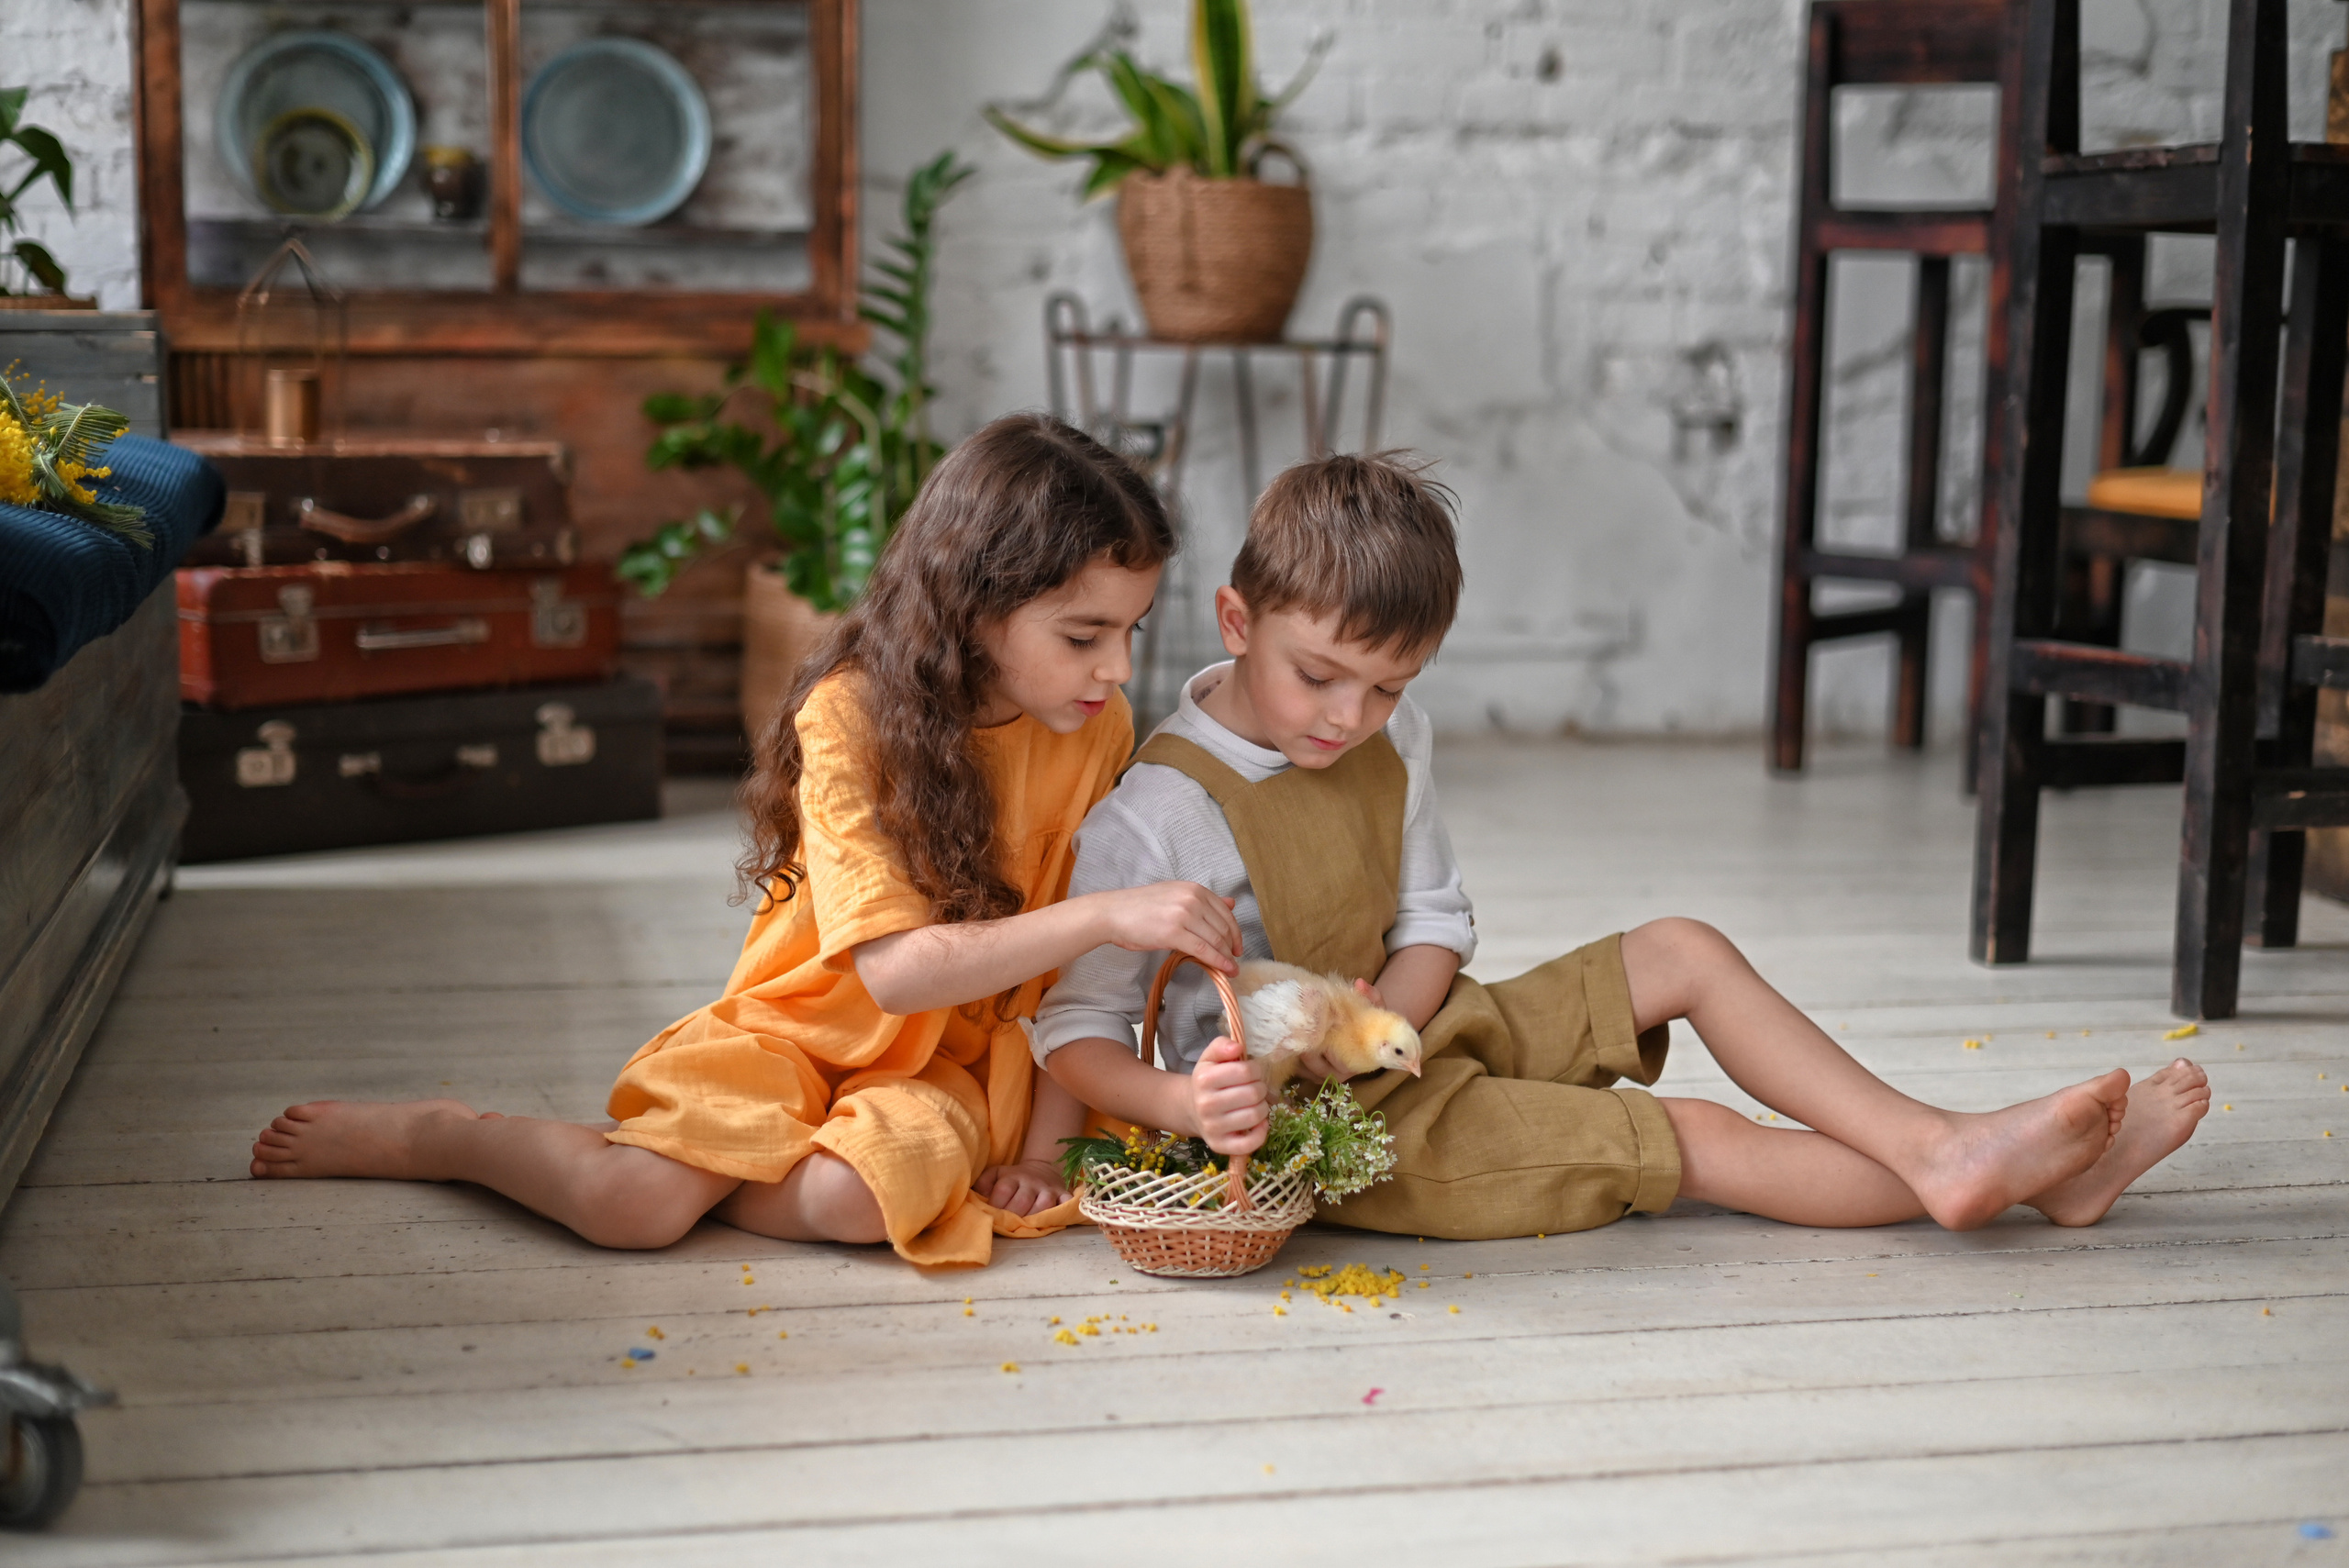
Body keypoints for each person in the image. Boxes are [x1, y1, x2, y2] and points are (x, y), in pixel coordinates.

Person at [1033, 453, 2211, 1236]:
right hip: (1334, 1132)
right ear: (1237, 620)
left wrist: (1387, 1019)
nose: (1350, 716)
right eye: (1320, 676)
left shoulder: (1393, 735)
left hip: (1413, 1029)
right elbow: (1073, 1029)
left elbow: (1432, 918)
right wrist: (1187, 1103)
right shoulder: (1159, 810)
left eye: (1388, 687)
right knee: (1689, 1135)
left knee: (1684, 947)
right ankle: (2018, 1178)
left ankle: (1949, 1147)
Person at [250, 415, 1252, 1269]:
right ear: (976, 604)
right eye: (1082, 635)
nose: (1118, 668)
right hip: (798, 1031)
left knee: (859, 1201)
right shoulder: (850, 713)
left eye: (1131, 630)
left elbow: (1068, 987)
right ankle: (451, 1138)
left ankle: (715, 1162)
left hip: (950, 1070)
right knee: (630, 1210)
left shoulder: (1095, 727)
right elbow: (896, 973)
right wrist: (1108, 912)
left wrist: (1039, 1152)